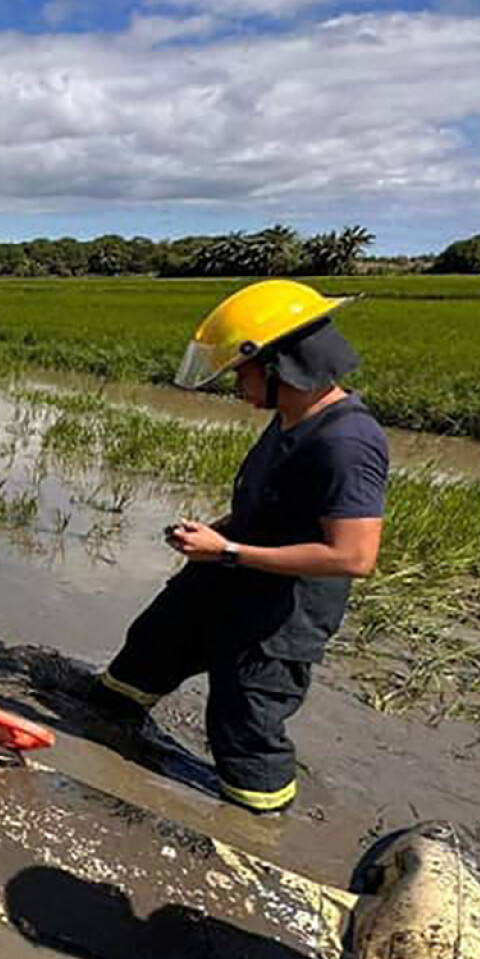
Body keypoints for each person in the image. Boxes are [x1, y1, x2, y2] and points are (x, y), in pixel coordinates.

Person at [90, 279, 389, 815]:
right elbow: (269, 503)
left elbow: (353, 556)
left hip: (275, 617)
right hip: (223, 579)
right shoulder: (292, 418)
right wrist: (217, 533)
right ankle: (102, 734)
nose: (237, 387)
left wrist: (226, 551)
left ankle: (256, 827)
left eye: (241, 373)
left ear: (280, 367)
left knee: (243, 724)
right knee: (145, 654)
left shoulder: (347, 443)